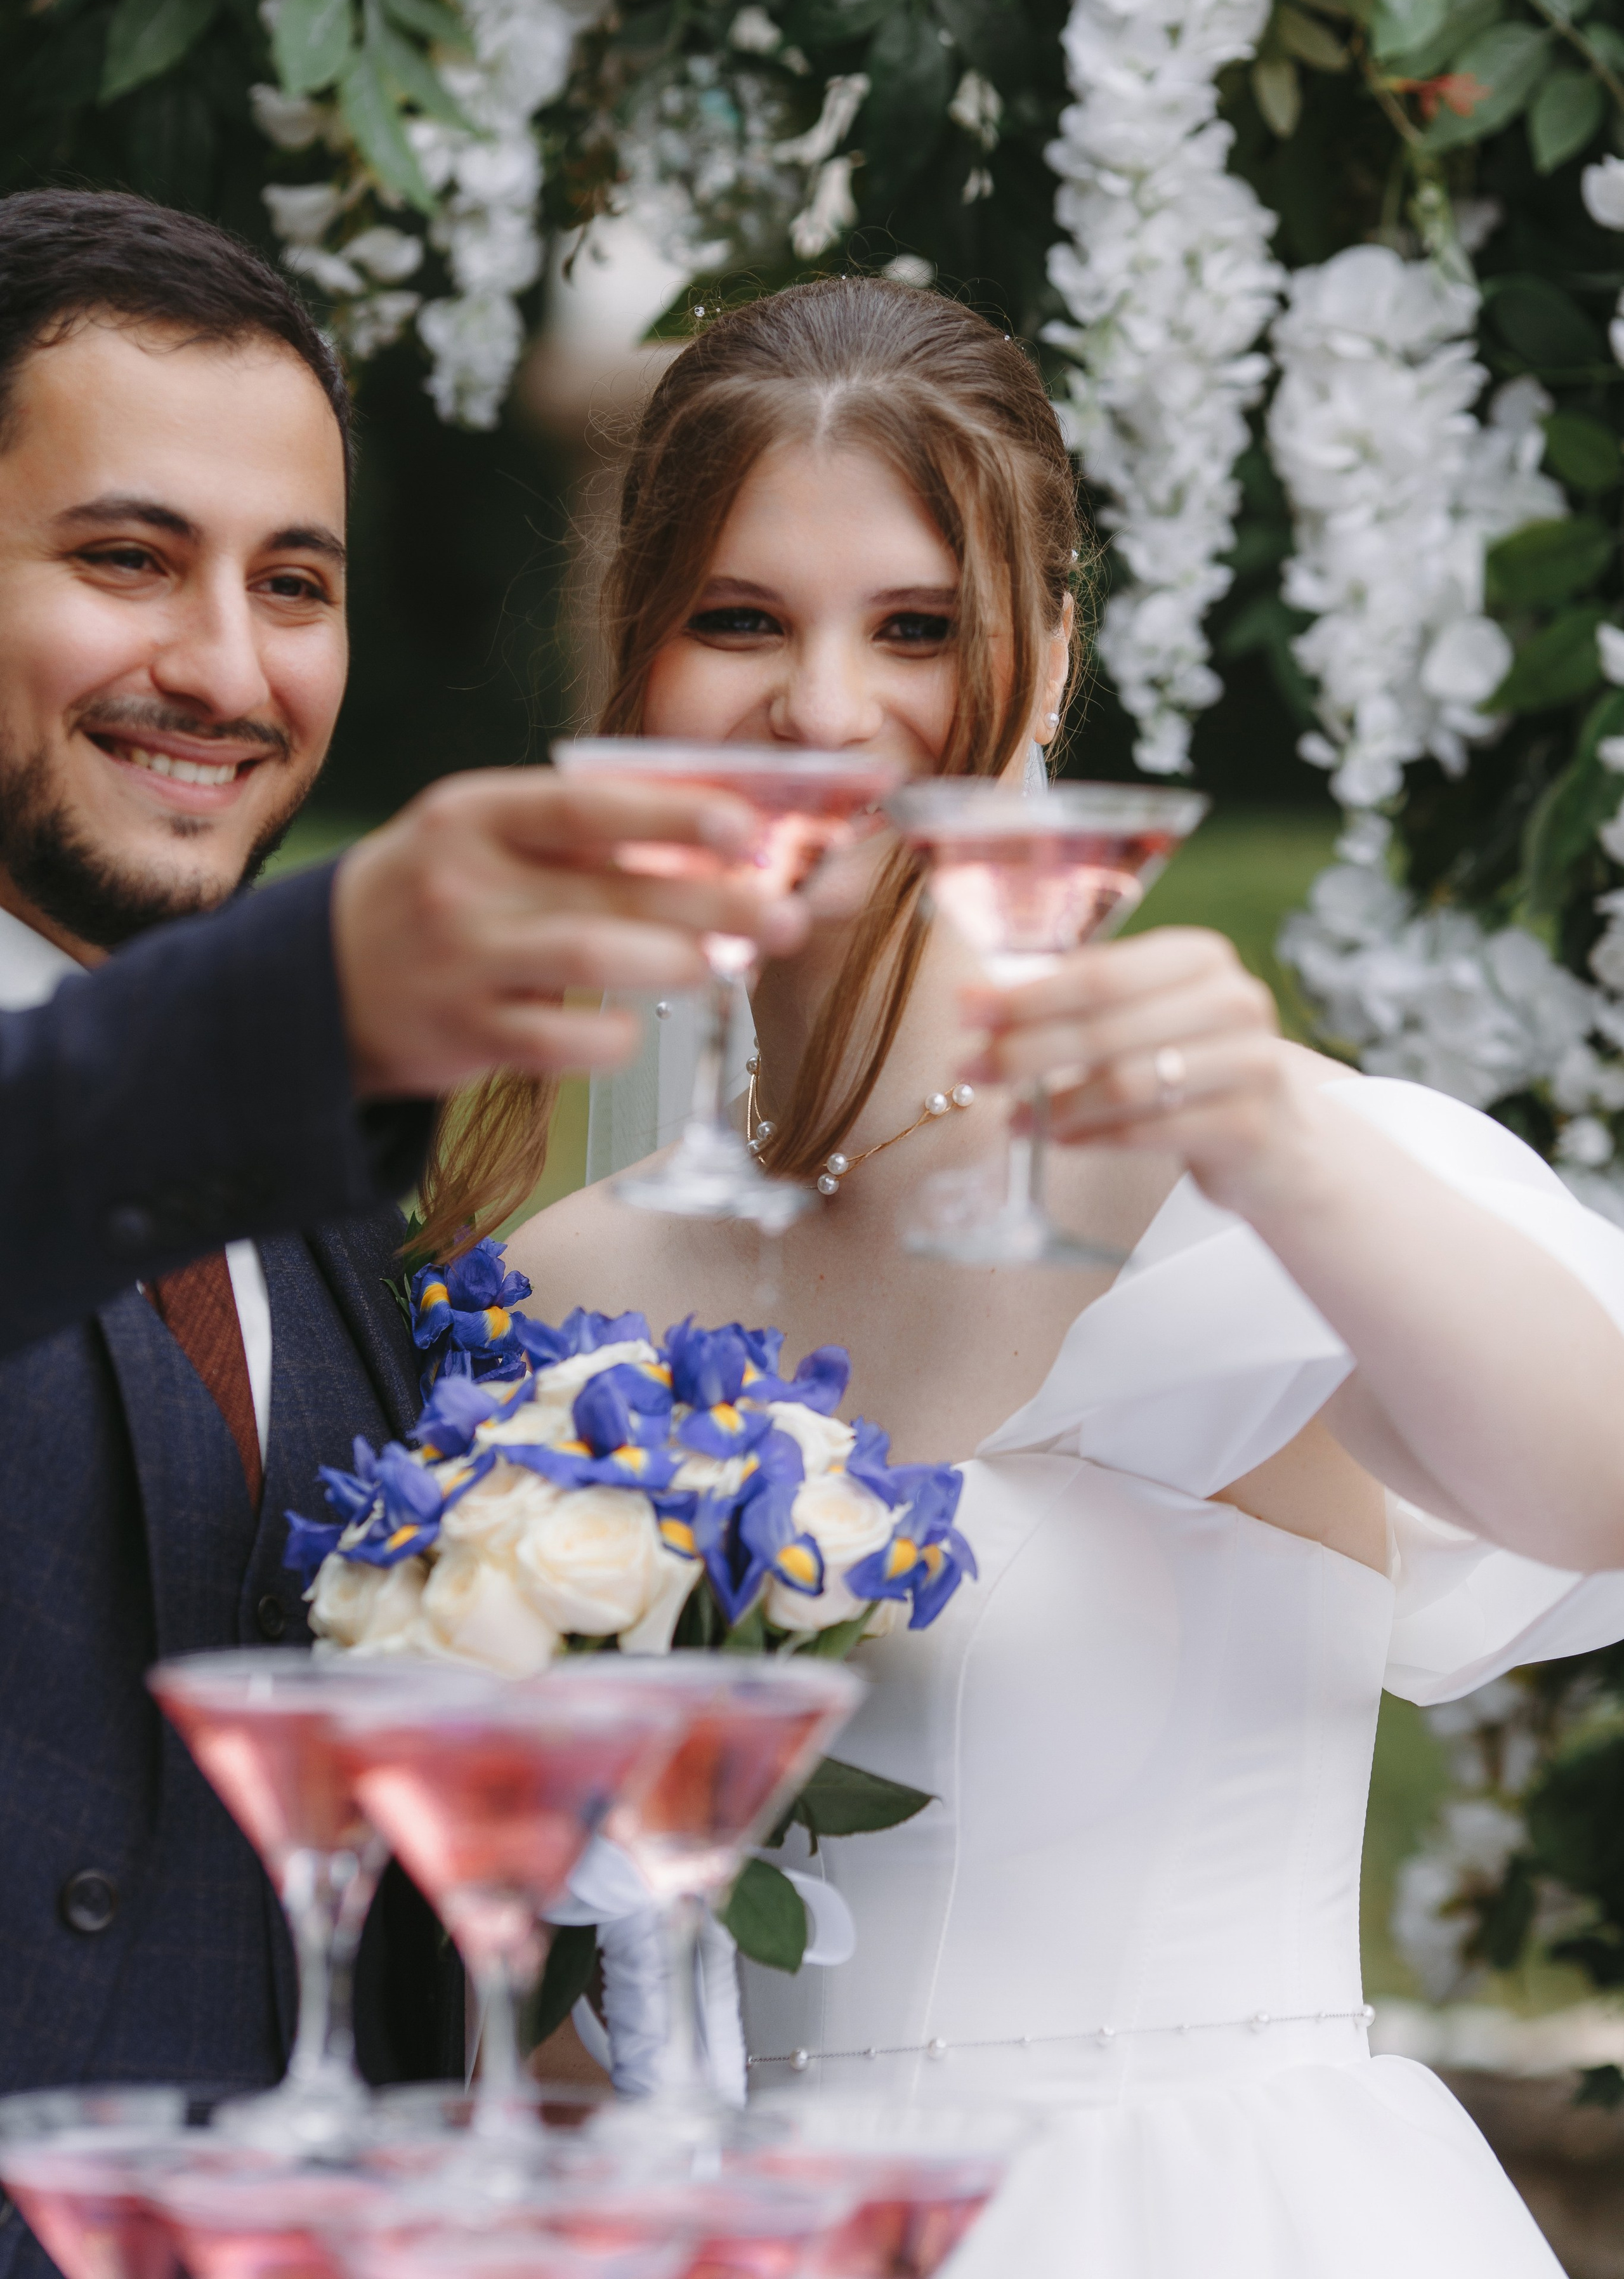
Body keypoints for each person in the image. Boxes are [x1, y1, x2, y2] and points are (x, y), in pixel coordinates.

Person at [431, 276, 1624, 2276]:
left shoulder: (1221, 1180)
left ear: (1050, 661)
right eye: (741, 622)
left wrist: (1273, 1129)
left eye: (919, 630)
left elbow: (1597, 1486)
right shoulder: (561, 1280)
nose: (824, 715)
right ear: (636, 659)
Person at [0, 183, 804, 2223]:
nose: (223, 667)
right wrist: (309, 1004)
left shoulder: (349, 1208)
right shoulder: (253, 1072)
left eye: (296, 583)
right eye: (123, 560)